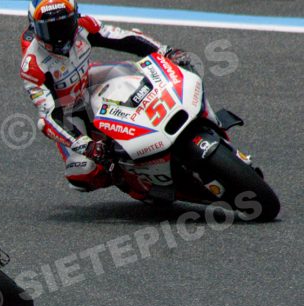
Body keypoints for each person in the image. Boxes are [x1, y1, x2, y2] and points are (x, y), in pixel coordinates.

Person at [20, 0, 218, 195]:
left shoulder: (85, 26)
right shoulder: (33, 66)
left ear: (75, 18)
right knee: (83, 172)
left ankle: (206, 119)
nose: (59, 35)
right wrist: (85, 145)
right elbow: (48, 118)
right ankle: (133, 180)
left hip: (90, 79)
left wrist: (166, 51)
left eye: (64, 24)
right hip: (68, 109)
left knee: (144, 72)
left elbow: (126, 38)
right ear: (34, 27)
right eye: (50, 29)